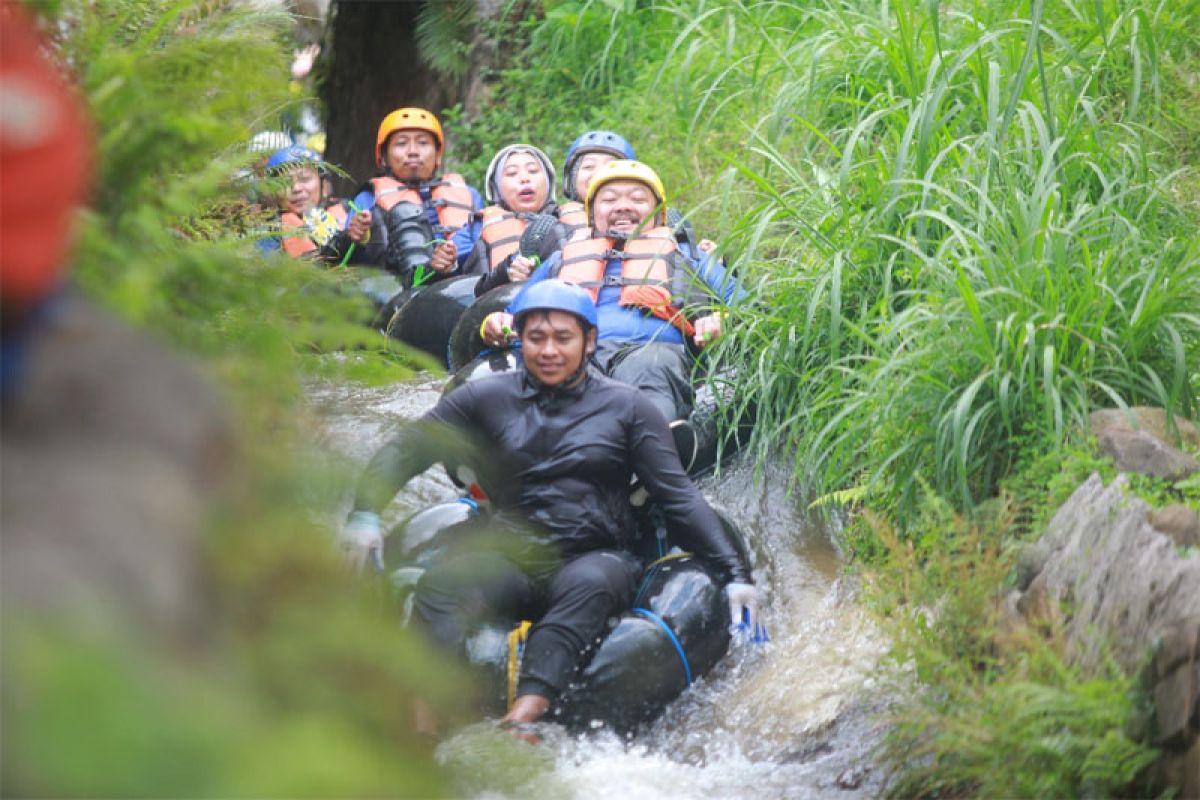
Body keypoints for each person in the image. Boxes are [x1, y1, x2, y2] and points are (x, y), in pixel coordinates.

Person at [340, 280, 759, 734]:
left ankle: (523, 721)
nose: (549, 351)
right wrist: (364, 514)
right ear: (518, 337)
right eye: (536, 337)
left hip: (596, 554)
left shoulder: (628, 408)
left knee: (587, 588)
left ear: (589, 341)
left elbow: (677, 494)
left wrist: (736, 573)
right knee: (442, 587)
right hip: (511, 552)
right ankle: (421, 725)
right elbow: (409, 448)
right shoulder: (485, 398)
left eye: (563, 338)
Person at [480, 160, 742, 425]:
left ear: (658, 214)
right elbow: (513, 319)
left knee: (652, 365)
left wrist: (723, 319)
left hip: (650, 352)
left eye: (638, 199)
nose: (623, 206)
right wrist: (494, 325)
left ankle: (655, 438)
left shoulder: (686, 256)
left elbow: (750, 310)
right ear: (592, 215)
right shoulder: (561, 259)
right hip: (572, 354)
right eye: (609, 199)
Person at [344, 108, 483, 287]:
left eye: (423, 143)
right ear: (384, 157)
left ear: (438, 155)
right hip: (394, 291)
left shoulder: (469, 194)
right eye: (401, 144)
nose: (413, 151)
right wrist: (354, 238)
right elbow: (352, 260)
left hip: (460, 289)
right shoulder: (368, 199)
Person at [466, 143, 569, 297]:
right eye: (512, 173)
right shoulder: (477, 227)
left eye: (533, 171)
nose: (524, 179)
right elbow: (459, 280)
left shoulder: (569, 221)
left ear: (548, 183)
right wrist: (505, 272)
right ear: (496, 187)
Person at [257, 146, 371, 263]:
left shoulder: (350, 211)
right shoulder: (268, 235)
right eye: (285, 183)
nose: (296, 188)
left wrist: (361, 238)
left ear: (324, 184)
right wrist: (347, 240)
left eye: (305, 179)